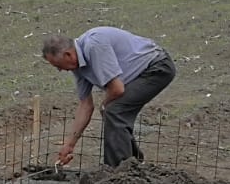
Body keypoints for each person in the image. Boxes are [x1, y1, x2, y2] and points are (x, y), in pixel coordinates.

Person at [41, 27, 176, 167]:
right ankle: (133, 164)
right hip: (142, 73)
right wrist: (69, 145)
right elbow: (85, 106)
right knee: (113, 110)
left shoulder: (94, 45)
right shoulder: (78, 67)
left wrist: (104, 104)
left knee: (114, 110)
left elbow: (117, 89)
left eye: (58, 65)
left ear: (68, 55)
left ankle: (118, 172)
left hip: (157, 67)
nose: (60, 70)